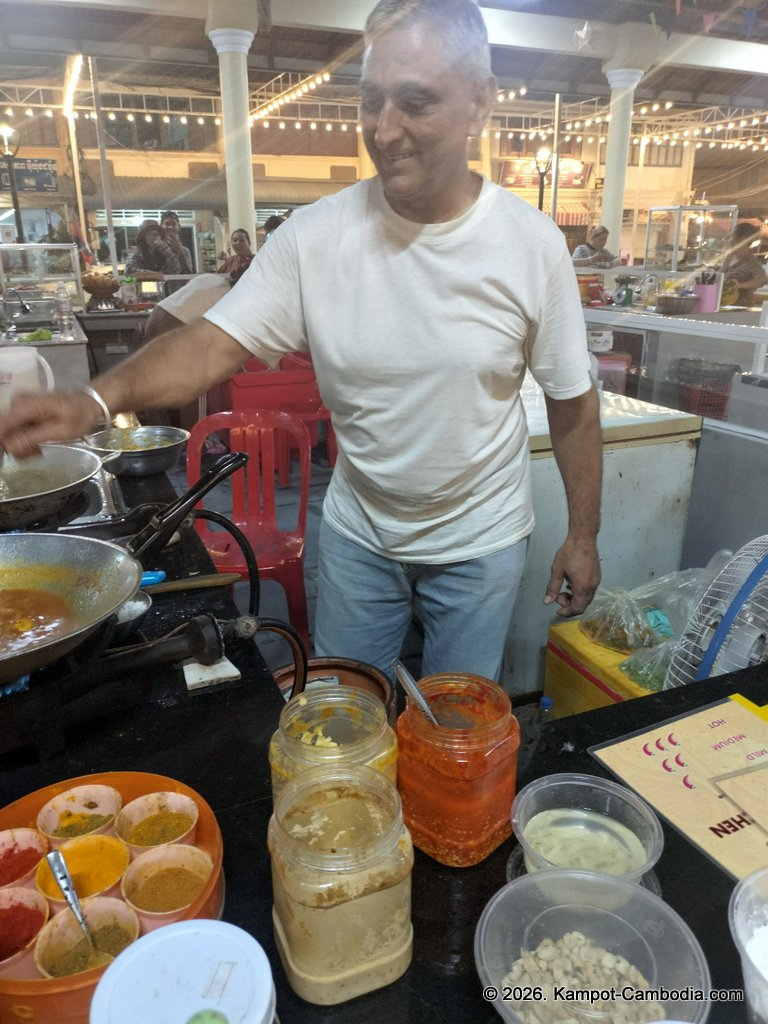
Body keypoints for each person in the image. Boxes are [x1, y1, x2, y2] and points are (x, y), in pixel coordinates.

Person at [0, 0, 602, 683]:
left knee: (454, 732)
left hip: (482, 542)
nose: (386, 128)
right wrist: (93, 399)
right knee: (343, 713)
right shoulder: (317, 237)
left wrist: (583, 535)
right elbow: (207, 346)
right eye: (371, 100)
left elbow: (573, 402)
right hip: (359, 535)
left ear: (480, 103)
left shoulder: (530, 246)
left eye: (415, 101)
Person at [720, 222, 767, 307]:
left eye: (732, 236)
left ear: (743, 238)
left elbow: (762, 279)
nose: (729, 239)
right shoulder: (730, 256)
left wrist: (739, 286)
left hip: (741, 308)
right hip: (726, 305)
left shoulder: (750, 260)